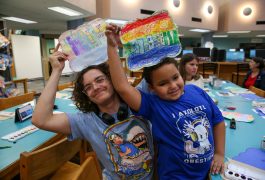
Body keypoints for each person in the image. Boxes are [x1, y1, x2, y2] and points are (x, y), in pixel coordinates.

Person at [105, 24, 225, 179]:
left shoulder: (197, 91)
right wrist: (112, 47)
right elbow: (122, 87)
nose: (173, 86)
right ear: (152, 88)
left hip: (207, 172)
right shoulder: (153, 105)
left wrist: (220, 153)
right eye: (163, 83)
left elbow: (218, 121)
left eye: (175, 78)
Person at [32, 44, 154, 180]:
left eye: (100, 80)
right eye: (88, 87)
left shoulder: (137, 98)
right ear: (86, 95)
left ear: (112, 79)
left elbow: (156, 67)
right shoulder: (86, 121)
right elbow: (40, 120)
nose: (95, 87)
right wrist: (56, 70)